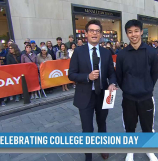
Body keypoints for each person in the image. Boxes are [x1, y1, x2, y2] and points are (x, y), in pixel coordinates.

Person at [68, 20, 117, 161]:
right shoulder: (78, 52)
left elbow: (111, 73)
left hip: (102, 95)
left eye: (97, 31)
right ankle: (88, 156)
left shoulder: (106, 53)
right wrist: (87, 77)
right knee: (87, 129)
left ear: (101, 34)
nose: (94, 33)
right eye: (91, 30)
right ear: (86, 33)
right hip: (85, 96)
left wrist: (112, 83)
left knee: (102, 124)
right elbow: (71, 74)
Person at [116, 19, 158, 161]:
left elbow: (154, 74)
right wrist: (129, 89)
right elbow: (119, 76)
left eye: (136, 31)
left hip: (146, 98)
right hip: (129, 99)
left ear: (141, 32)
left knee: (148, 127)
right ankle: (130, 151)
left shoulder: (151, 52)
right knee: (129, 127)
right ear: (127, 34)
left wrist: (146, 88)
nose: (133, 34)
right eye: (130, 32)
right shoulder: (122, 54)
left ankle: (149, 150)